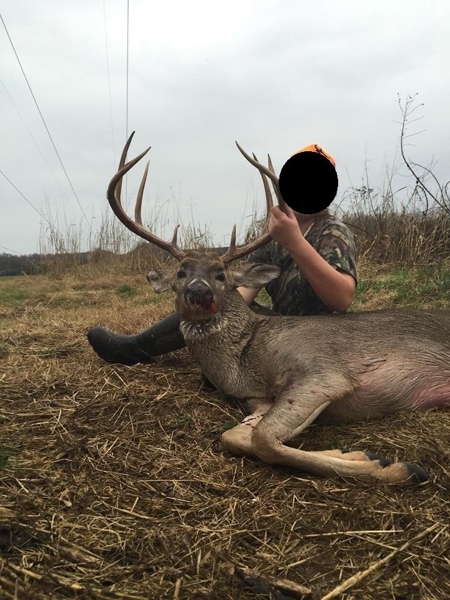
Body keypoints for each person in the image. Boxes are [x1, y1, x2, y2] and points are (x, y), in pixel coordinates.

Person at [87, 146, 358, 365]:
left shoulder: (332, 232)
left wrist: (295, 242)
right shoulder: (272, 238)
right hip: (283, 327)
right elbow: (243, 293)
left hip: (325, 336)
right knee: (221, 299)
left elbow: (341, 299)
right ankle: (136, 348)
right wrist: (208, 298)